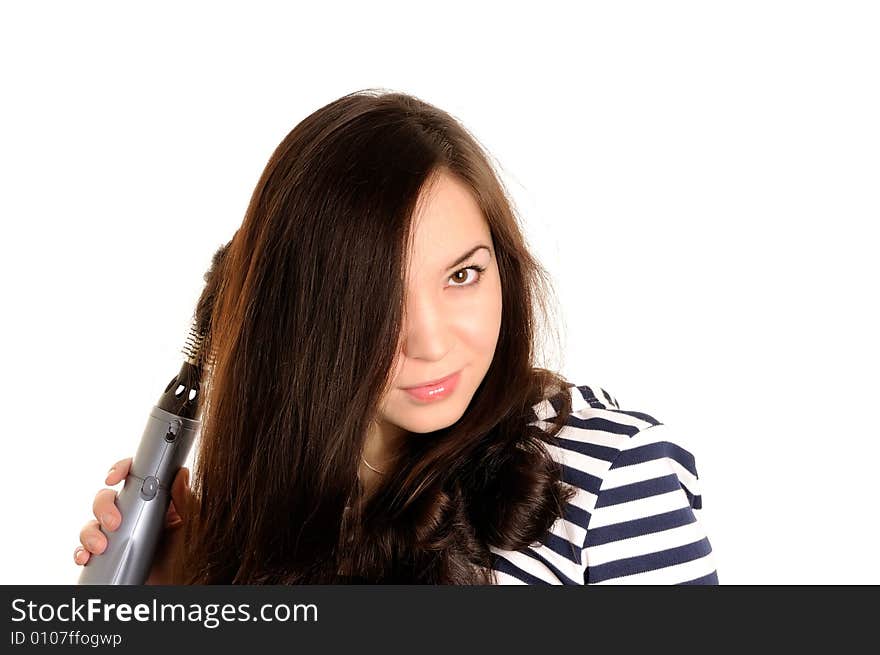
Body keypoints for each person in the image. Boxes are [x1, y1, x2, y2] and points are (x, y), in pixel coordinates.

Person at [73, 89, 719, 584]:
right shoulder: (273, 517)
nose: (431, 341)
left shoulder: (612, 480)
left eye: (462, 274)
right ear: (307, 317)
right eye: (379, 299)